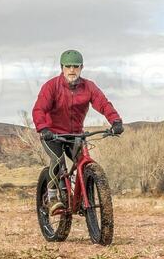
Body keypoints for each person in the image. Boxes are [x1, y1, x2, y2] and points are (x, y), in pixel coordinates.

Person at [33, 50, 124, 205]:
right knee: (57, 159)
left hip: (75, 134)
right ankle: (52, 196)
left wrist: (115, 121)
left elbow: (103, 104)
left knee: (83, 161)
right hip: (52, 134)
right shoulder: (51, 86)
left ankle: (81, 194)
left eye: (76, 66)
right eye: (68, 66)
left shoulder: (88, 87)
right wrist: (43, 128)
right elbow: (39, 109)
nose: (72, 70)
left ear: (82, 67)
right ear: (62, 67)